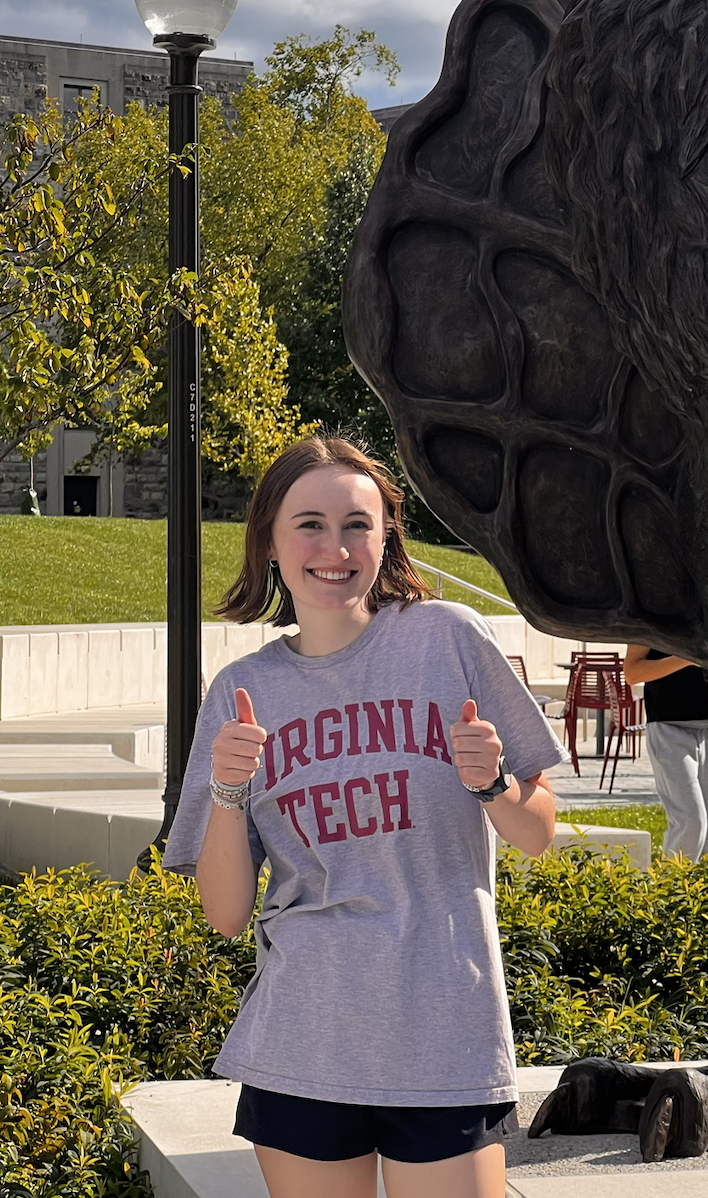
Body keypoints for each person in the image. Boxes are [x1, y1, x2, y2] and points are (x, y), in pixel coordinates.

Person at [163, 435, 567, 1198]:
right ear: (271, 543)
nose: (335, 547)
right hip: (304, 1039)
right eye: (309, 523)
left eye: (357, 523)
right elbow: (223, 914)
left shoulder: (449, 639)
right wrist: (226, 790)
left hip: (447, 1031)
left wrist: (493, 785)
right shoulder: (242, 690)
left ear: (387, 536)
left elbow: (539, 831)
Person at [622, 646, 708, 858]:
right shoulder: (653, 614)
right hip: (669, 726)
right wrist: (687, 658)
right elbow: (632, 673)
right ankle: (674, 887)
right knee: (690, 822)